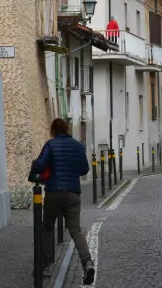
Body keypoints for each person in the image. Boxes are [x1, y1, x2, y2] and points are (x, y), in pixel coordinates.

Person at [32, 118, 95, 285]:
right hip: (73, 194)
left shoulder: (50, 145)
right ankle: (87, 262)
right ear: (66, 129)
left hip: (54, 192)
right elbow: (84, 169)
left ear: (54, 130)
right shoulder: (78, 146)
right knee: (75, 231)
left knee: (47, 227)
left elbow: (39, 165)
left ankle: (45, 265)